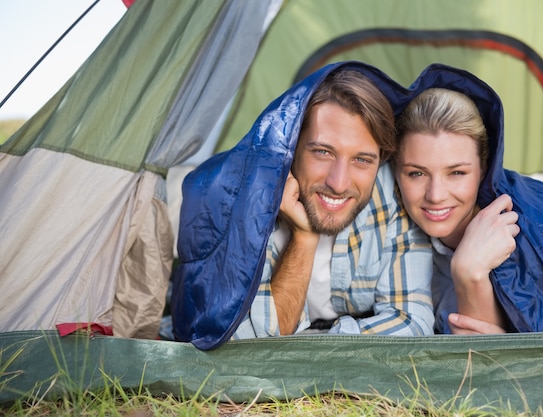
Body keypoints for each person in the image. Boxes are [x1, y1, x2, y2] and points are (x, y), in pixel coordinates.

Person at [171, 62, 434, 350]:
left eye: (362, 160)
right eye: (323, 152)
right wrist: (304, 237)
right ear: (292, 147)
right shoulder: (252, 201)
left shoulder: (393, 193)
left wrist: (315, 342)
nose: (339, 182)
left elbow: (413, 323)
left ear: (380, 159)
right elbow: (244, 348)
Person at [394, 63, 543, 335]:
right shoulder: (386, 230)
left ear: (485, 167)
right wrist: (468, 270)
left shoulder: (541, 229)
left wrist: (469, 271)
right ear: (395, 170)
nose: (435, 195)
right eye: (417, 173)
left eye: (456, 172)